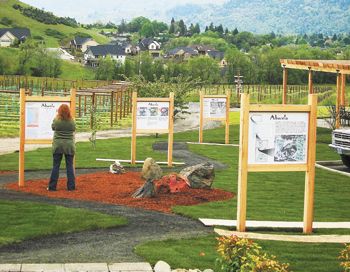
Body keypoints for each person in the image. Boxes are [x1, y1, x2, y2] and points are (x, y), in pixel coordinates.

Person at [48, 104, 76, 191]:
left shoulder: (56, 120)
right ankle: (71, 187)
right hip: (69, 146)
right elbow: (74, 128)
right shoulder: (72, 121)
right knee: (69, 166)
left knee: (56, 166)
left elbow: (53, 127)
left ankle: (52, 186)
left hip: (58, 145)